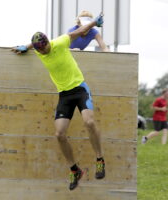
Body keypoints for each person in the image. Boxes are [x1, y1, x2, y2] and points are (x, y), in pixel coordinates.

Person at [12, 14, 105, 190]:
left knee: (89, 122)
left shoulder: (60, 42)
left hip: (79, 89)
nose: (44, 51)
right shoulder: (39, 51)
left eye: (45, 47)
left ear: (48, 42)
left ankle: (100, 158)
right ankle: (74, 170)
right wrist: (26, 46)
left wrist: (95, 23)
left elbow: (80, 30)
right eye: (41, 50)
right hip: (64, 95)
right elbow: (34, 44)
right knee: (59, 134)